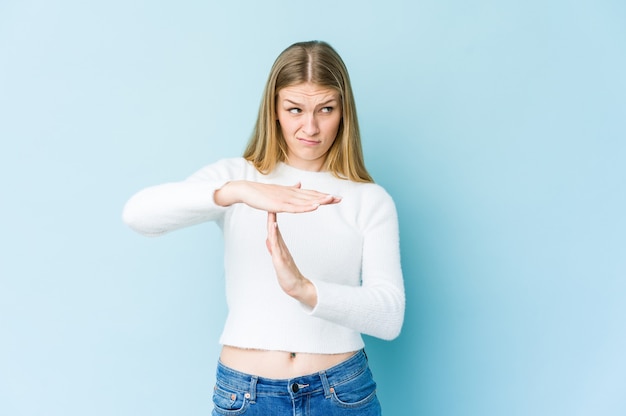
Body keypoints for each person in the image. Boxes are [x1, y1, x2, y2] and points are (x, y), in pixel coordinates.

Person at [122, 40, 404, 416]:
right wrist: (239, 191)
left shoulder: (369, 199)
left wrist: (304, 290)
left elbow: (389, 316)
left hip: (342, 393)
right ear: (274, 109)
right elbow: (138, 215)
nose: (311, 126)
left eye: (326, 109)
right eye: (295, 109)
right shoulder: (238, 178)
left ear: (343, 112)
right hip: (247, 394)